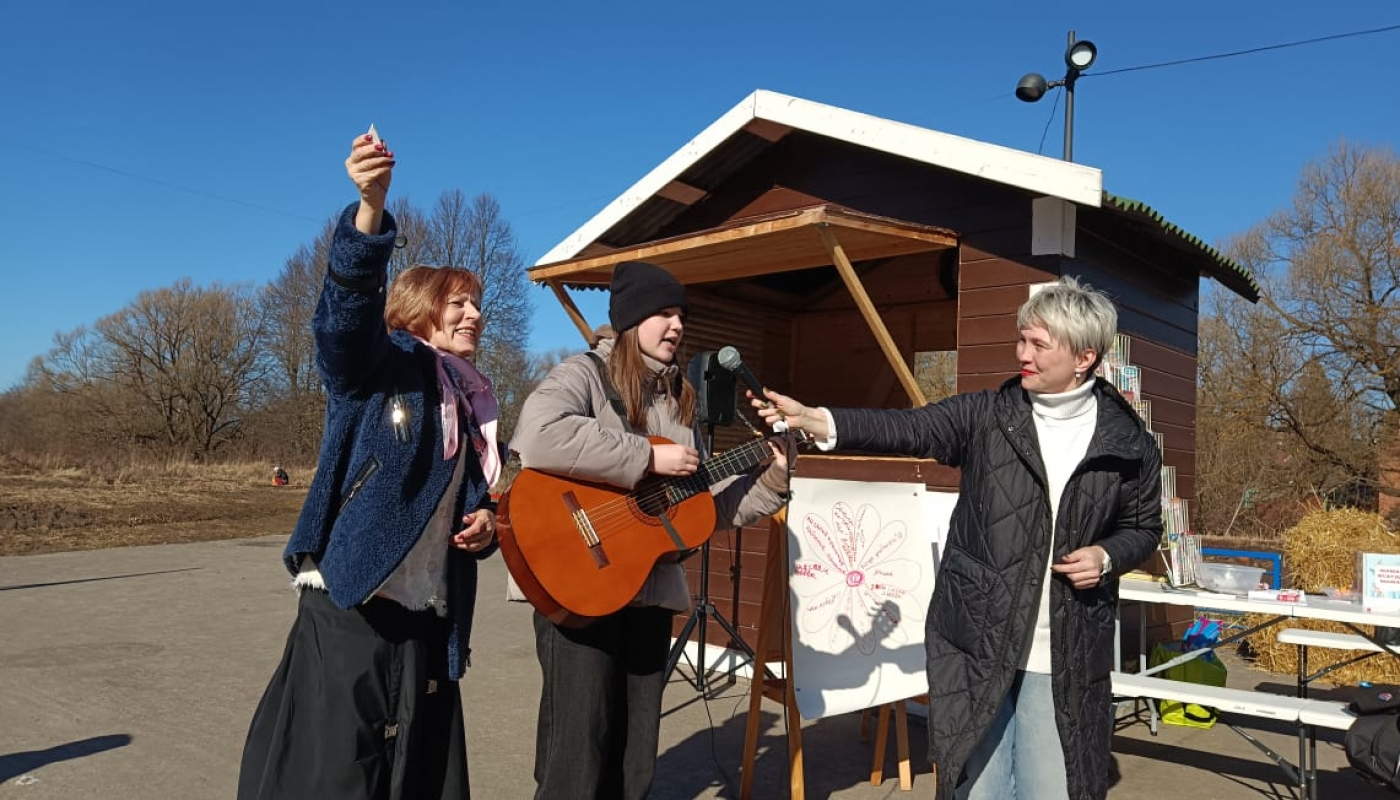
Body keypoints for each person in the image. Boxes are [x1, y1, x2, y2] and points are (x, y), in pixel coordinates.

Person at [754, 276, 1162, 800]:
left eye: (1039, 344)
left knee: (1049, 790)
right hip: (978, 644)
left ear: (1084, 358)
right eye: (1022, 339)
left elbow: (1144, 528)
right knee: (979, 791)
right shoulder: (988, 417)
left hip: (1061, 652)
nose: (1023, 353)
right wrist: (820, 421)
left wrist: (1108, 555)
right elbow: (909, 430)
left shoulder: (1127, 443)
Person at [238, 130, 501, 800]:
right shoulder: (380, 367)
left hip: (424, 614)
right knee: (337, 775)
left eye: (477, 303)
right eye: (459, 302)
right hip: (351, 602)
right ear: (419, 311)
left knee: (413, 773)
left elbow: (466, 500)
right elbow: (342, 323)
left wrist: (483, 524)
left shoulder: (468, 401)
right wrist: (370, 214)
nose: (475, 313)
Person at [509, 260, 792, 800]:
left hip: (649, 593)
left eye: (681, 314)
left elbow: (706, 509)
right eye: (664, 312)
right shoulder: (584, 374)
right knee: (578, 753)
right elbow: (538, 435)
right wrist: (645, 458)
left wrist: (773, 475)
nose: (677, 324)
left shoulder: (679, 399)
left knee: (635, 757)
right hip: (578, 582)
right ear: (632, 318)